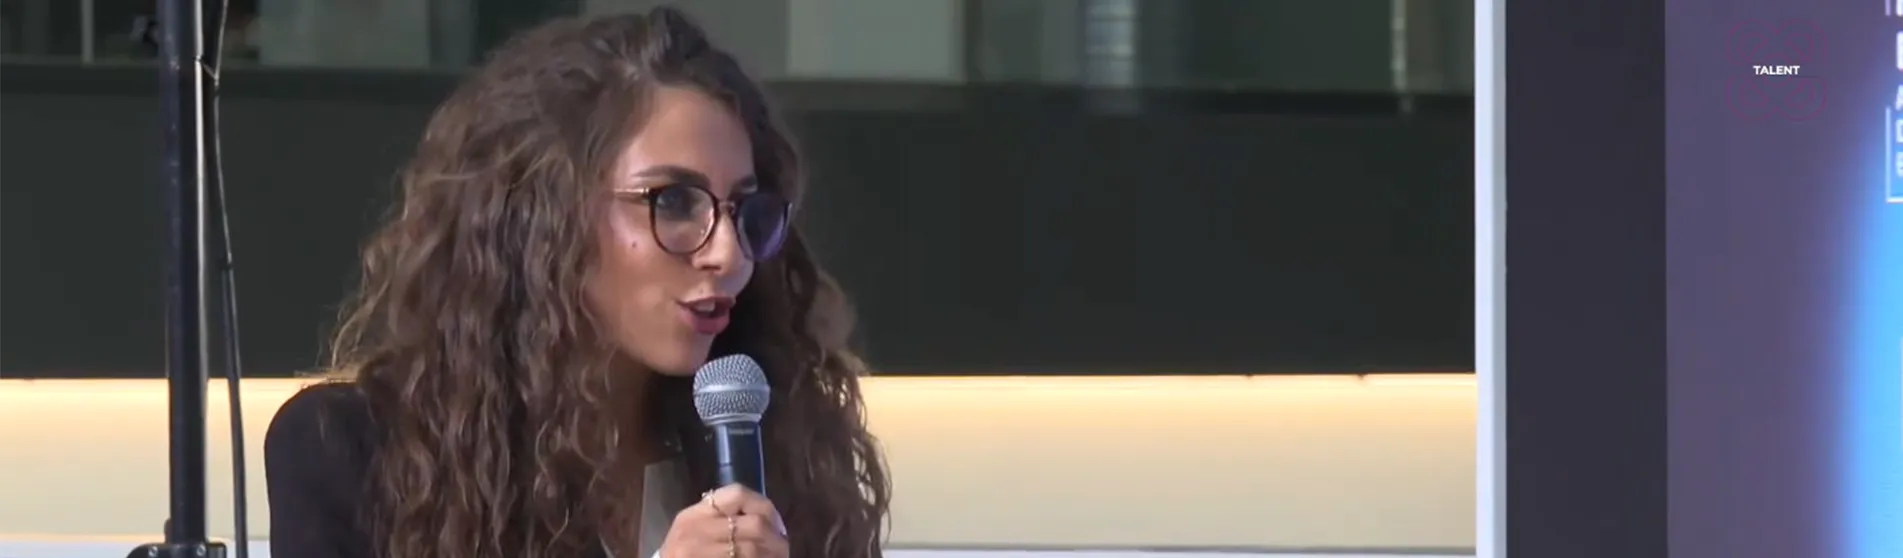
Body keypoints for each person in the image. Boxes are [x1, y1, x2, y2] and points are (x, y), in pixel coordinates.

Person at [262, 7, 890, 558]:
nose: (727, 254)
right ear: (544, 213)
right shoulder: (352, 452)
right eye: (673, 202)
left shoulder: (785, 449)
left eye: (744, 211)